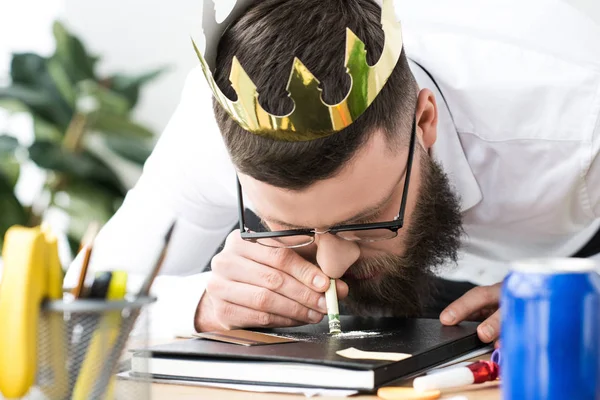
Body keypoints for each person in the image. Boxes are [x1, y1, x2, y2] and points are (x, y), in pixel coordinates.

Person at [67, 0, 600, 343]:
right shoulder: (218, 129)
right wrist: (201, 305)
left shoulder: (578, 114)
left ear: (425, 122)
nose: (331, 261)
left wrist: (590, 294)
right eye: (290, 226)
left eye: (366, 219)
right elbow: (77, 305)